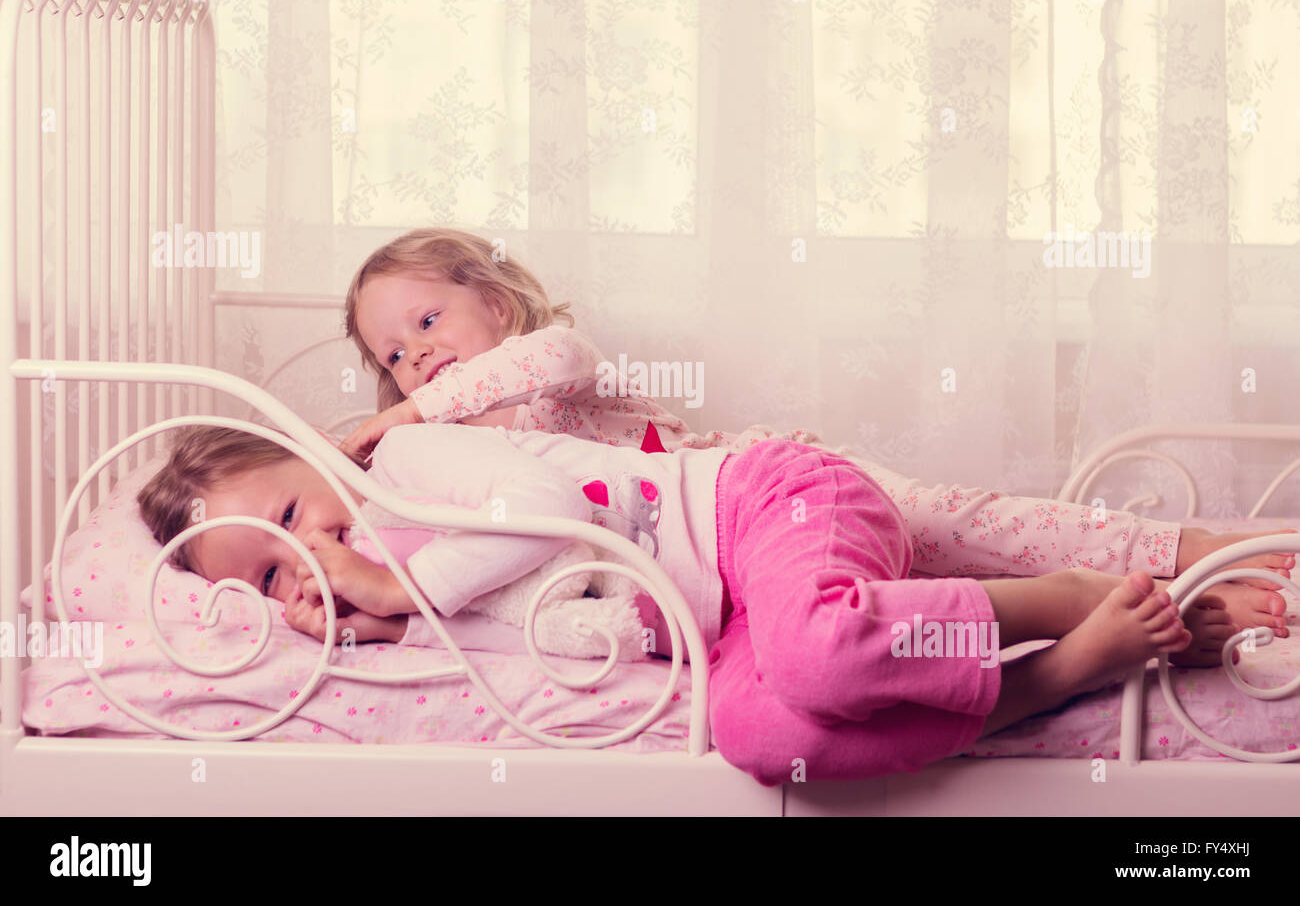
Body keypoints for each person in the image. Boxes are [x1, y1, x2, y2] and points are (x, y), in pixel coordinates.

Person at [138, 421, 1241, 784]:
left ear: (316, 454)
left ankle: (1053, 593)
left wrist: (398, 578)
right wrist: (387, 615)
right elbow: (567, 628)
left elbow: (543, 498)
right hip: (729, 617)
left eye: (291, 509)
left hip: (758, 500)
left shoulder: (412, 459)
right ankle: (1064, 664)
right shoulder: (392, 608)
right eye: (271, 572)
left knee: (817, 646)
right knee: (767, 734)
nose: (308, 553)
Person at [335, 227, 1295, 636]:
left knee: (973, 526)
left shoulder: (539, 361)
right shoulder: (461, 451)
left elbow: (553, 363)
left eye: (428, 324)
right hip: (739, 555)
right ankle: (1190, 616)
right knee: (944, 600)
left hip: (778, 485)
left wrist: (404, 413)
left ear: (496, 302)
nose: (417, 360)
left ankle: (1220, 547)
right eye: (394, 356)